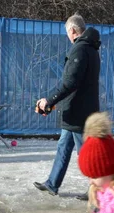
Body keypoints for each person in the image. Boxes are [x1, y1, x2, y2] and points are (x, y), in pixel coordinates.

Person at [34, 13, 101, 198]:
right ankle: (52, 183)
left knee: (86, 153)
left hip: (78, 111)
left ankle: (96, 189)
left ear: (72, 30)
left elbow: (70, 82)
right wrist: (56, 102)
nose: (68, 36)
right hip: (75, 110)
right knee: (63, 146)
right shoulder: (92, 49)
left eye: (67, 32)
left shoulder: (80, 49)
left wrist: (49, 100)